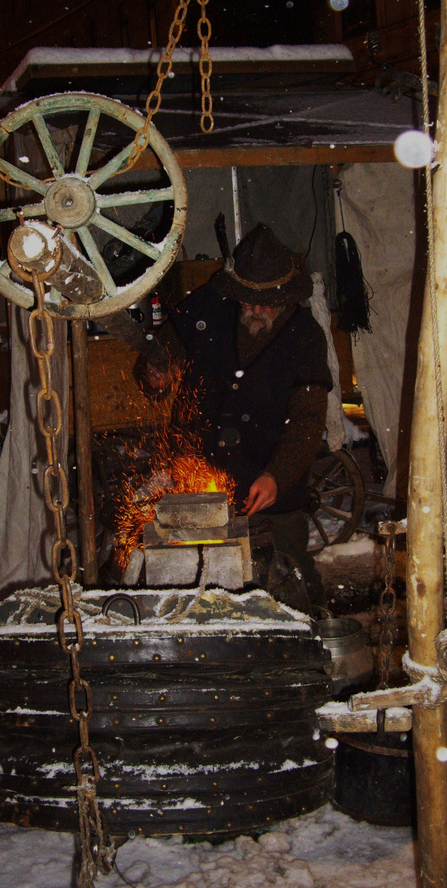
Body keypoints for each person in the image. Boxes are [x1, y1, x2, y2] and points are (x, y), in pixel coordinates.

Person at [139, 222, 333, 610]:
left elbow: (308, 421)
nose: (256, 309)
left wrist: (277, 475)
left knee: (291, 585)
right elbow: (160, 357)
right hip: (199, 474)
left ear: (285, 297)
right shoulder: (205, 309)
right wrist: (155, 374)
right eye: (247, 300)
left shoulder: (305, 336)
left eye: (266, 302)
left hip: (272, 484)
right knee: (197, 591)